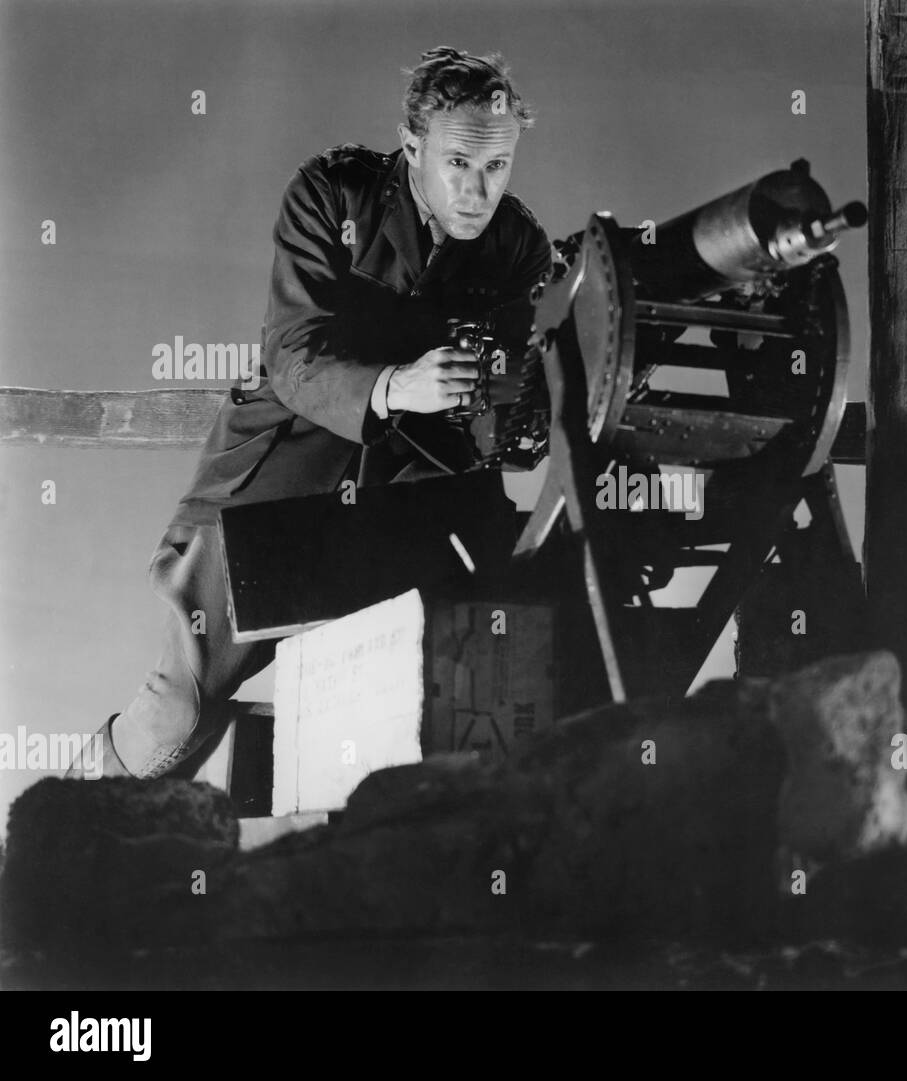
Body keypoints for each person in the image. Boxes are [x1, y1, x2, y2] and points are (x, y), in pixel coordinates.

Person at [67, 46, 553, 780]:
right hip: (285, 474)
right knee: (180, 709)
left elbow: (512, 414)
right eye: (459, 163)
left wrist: (527, 413)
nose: (477, 192)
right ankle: (65, 824)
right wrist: (394, 386)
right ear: (413, 144)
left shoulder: (519, 246)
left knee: (487, 668)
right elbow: (293, 358)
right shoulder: (333, 194)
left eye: (497, 168)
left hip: (419, 495)